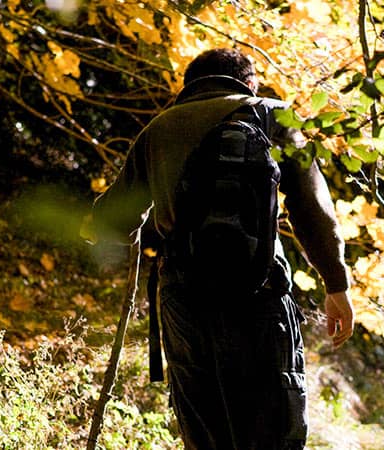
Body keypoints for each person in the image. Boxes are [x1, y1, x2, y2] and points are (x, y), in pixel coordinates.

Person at [88, 48, 354, 450]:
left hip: (184, 302)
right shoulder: (272, 114)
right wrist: (336, 285)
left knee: (206, 432)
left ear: (189, 86)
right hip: (258, 292)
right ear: (250, 83)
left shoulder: (159, 129)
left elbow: (110, 224)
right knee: (273, 427)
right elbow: (311, 207)